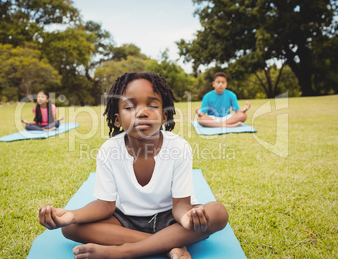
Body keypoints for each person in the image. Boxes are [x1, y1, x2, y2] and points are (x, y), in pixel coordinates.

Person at [38, 72, 229, 259]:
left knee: (218, 212)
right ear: (117, 120)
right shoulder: (109, 150)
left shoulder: (179, 147)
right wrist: (71, 215)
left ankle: (125, 251)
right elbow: (105, 205)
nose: (141, 112)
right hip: (124, 220)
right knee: (70, 228)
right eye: (129, 107)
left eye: (152, 105)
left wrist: (188, 219)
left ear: (164, 117)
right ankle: (171, 245)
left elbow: (180, 204)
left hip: (171, 218)